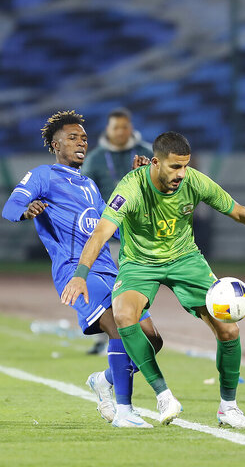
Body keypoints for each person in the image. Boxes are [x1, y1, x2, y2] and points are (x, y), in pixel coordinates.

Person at [61, 131, 245, 429]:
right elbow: (102, 233)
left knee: (229, 330)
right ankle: (163, 395)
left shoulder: (194, 181)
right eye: (175, 167)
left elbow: (237, 211)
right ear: (155, 163)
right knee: (123, 315)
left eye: (185, 166)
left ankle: (229, 408)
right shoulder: (131, 187)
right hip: (140, 264)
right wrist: (81, 274)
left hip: (185, 260)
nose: (181, 174)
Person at [2, 110, 163, 428]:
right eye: (72, 137)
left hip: (110, 269)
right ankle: (124, 411)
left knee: (152, 340)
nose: (81, 142)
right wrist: (25, 211)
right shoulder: (43, 176)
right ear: (55, 144)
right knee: (119, 328)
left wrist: (139, 186)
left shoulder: (89, 185)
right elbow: (10, 207)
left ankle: (104, 380)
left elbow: (116, 228)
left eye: (84, 138)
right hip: (76, 273)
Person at [81, 107, 152, 355]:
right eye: (116, 127)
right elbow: (85, 194)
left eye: (125, 126)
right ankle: (104, 338)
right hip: (108, 232)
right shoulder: (96, 158)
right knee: (104, 283)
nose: (121, 131)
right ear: (108, 130)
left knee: (134, 284)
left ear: (131, 127)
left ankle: (135, 330)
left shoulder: (147, 152)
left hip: (139, 234)